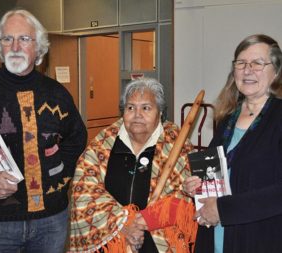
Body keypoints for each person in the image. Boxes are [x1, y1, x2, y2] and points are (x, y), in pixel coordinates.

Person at [0, 9, 87, 253]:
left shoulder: (57, 94)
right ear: (0, 47)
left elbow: (77, 138)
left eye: (24, 39)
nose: (15, 46)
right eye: (7, 39)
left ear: (39, 48)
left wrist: (57, 173)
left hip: (50, 222)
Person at [69, 78, 197, 253]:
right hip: (110, 240)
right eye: (130, 107)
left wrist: (150, 218)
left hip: (158, 244)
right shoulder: (102, 145)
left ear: (160, 113)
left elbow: (188, 197)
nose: (137, 114)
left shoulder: (178, 146)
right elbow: (84, 191)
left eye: (146, 108)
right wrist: (123, 224)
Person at [183, 34, 282, 253]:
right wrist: (196, 186)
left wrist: (223, 209)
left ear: (275, 71)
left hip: (261, 239)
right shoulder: (227, 118)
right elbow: (215, 173)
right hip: (217, 236)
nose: (248, 70)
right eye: (241, 63)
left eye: (257, 63)